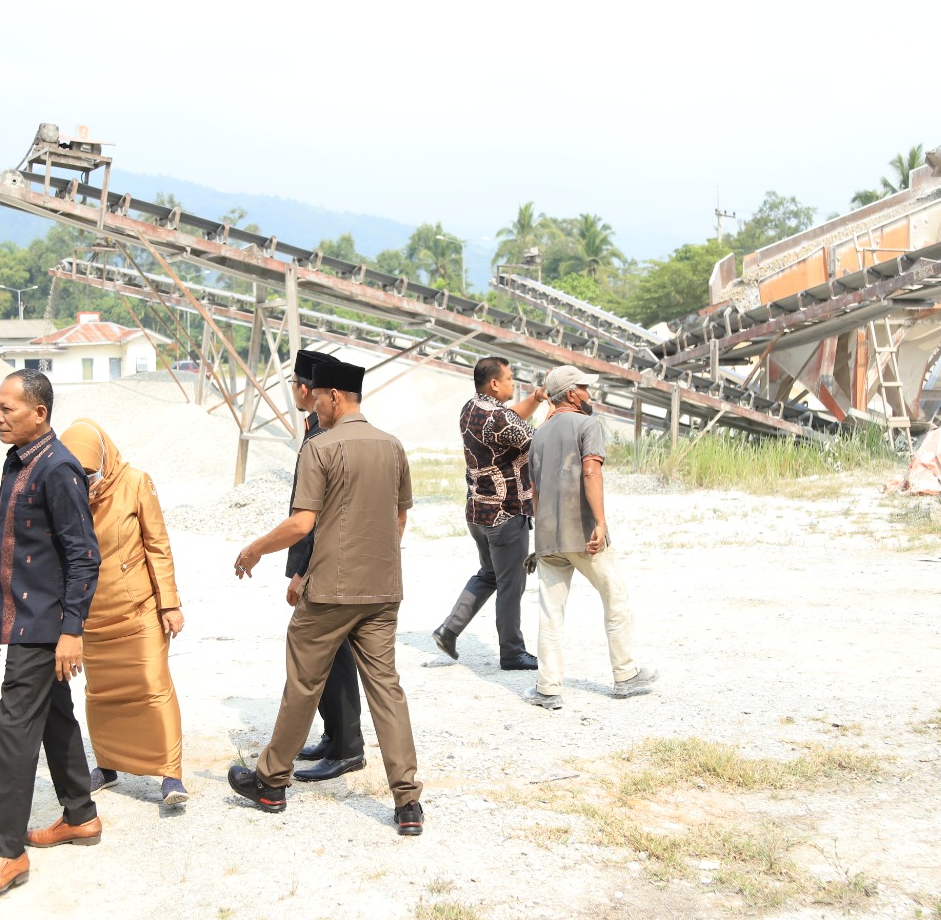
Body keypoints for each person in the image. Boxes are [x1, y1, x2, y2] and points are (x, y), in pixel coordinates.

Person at [229, 357, 425, 835]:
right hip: (383, 590)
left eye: (316, 396)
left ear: (334, 396)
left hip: (331, 592)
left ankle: (271, 781)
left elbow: (302, 523)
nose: (313, 403)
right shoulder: (393, 445)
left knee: (303, 684)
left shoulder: (321, 446)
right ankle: (408, 804)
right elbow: (399, 518)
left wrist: (253, 549)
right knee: (387, 690)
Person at [0, 369, 103, 898]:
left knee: (14, 728)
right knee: (54, 717)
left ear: (39, 413)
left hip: (46, 625)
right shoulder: (18, 460)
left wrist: (72, 631)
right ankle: (81, 814)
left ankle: (5, 853)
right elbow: (10, 547)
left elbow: (85, 558)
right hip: (20, 614)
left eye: (7, 408)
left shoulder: (59, 468)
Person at [60, 418, 189, 807]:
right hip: (92, 616)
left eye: (90, 473)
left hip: (140, 611)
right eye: (76, 475)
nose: (86, 482)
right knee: (101, 695)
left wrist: (170, 603)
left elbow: (158, 544)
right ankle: (107, 766)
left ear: (105, 459)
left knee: (153, 687)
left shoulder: (135, 482)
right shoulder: (65, 493)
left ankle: (171, 776)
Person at [524, 364, 656, 711]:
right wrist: (599, 521)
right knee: (615, 597)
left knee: (551, 612)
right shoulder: (587, 424)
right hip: (583, 532)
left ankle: (547, 689)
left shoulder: (538, 434)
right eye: (584, 388)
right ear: (570, 394)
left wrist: (542, 531)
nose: (589, 393)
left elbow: (534, 490)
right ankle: (625, 675)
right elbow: (591, 472)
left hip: (548, 536)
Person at [432, 356, 545, 670]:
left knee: (490, 575)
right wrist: (557, 409)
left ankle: (449, 630)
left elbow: (509, 421)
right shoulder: (501, 419)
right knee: (511, 583)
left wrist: (536, 399)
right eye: (509, 378)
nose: (513, 382)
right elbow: (540, 441)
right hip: (506, 515)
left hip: (477, 513)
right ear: (494, 383)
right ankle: (512, 652)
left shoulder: (471, 408)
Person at [285, 349, 366, 782]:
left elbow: (312, 519)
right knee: (332, 656)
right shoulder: (317, 429)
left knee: (329, 657)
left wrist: (302, 571)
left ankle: (348, 746)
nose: (309, 399)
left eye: (312, 393)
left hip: (323, 564)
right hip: (325, 562)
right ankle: (337, 737)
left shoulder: (323, 435)